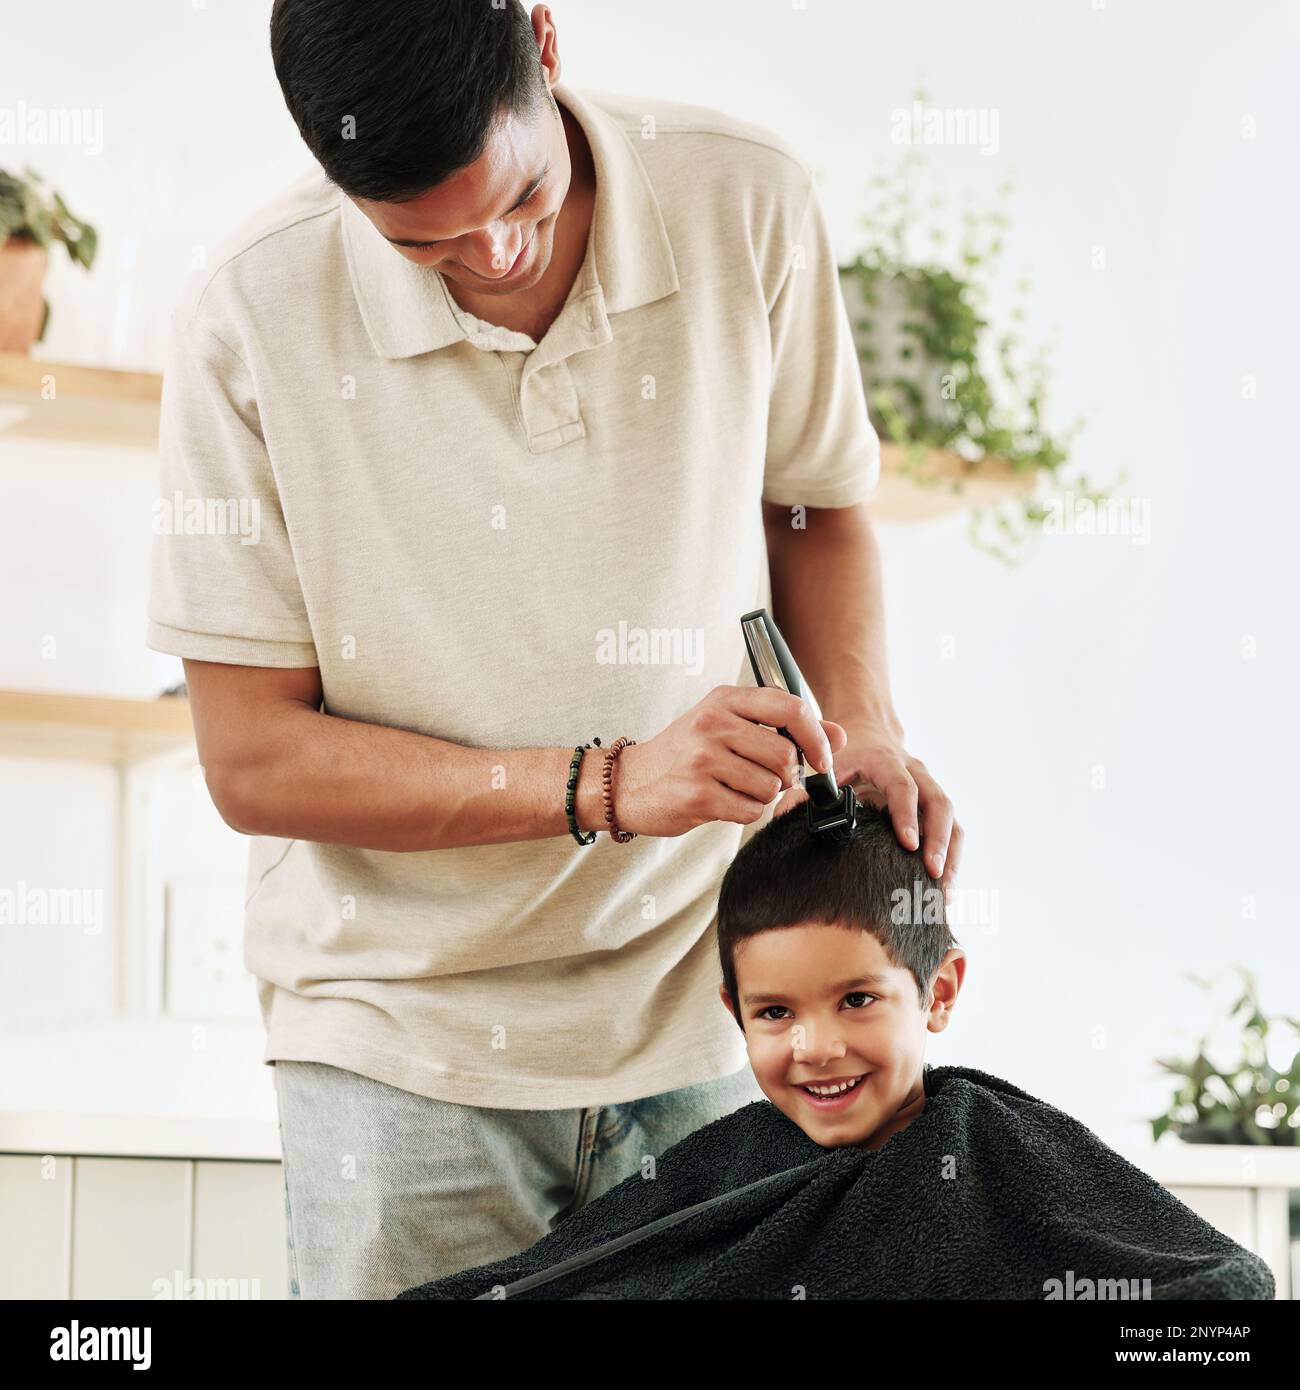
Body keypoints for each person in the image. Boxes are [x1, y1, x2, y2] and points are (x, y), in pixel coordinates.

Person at [146, 0, 962, 1299]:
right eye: (430, 244)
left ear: (546, 43)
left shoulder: (743, 198)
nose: (500, 254)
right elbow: (252, 759)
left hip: (716, 1007)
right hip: (403, 1041)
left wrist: (863, 718)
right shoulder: (252, 316)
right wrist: (607, 783)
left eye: (520, 194)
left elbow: (810, 499)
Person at [397, 804, 1274, 1301]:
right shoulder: (719, 1167)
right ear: (733, 1014)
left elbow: (1226, 1302)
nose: (815, 1048)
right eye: (775, 1013)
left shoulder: (1008, 1151)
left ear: (938, 991)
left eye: (857, 1000)